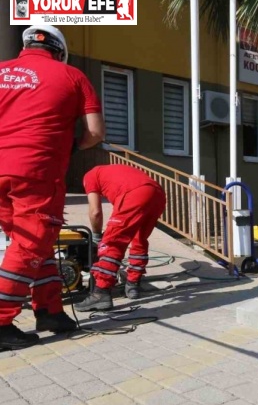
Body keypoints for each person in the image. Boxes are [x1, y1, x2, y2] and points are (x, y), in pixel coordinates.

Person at [0, 25, 105, 349]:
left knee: (34, 244)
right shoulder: (72, 76)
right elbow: (95, 132)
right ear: (60, 50)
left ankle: (50, 311)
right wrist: (73, 144)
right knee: (29, 247)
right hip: (35, 169)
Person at [75, 165, 166, 311]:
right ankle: (133, 284)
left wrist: (97, 237)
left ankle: (101, 293)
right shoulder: (113, 171)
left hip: (135, 194)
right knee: (139, 238)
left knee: (112, 242)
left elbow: (95, 212)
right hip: (157, 194)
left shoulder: (90, 176)